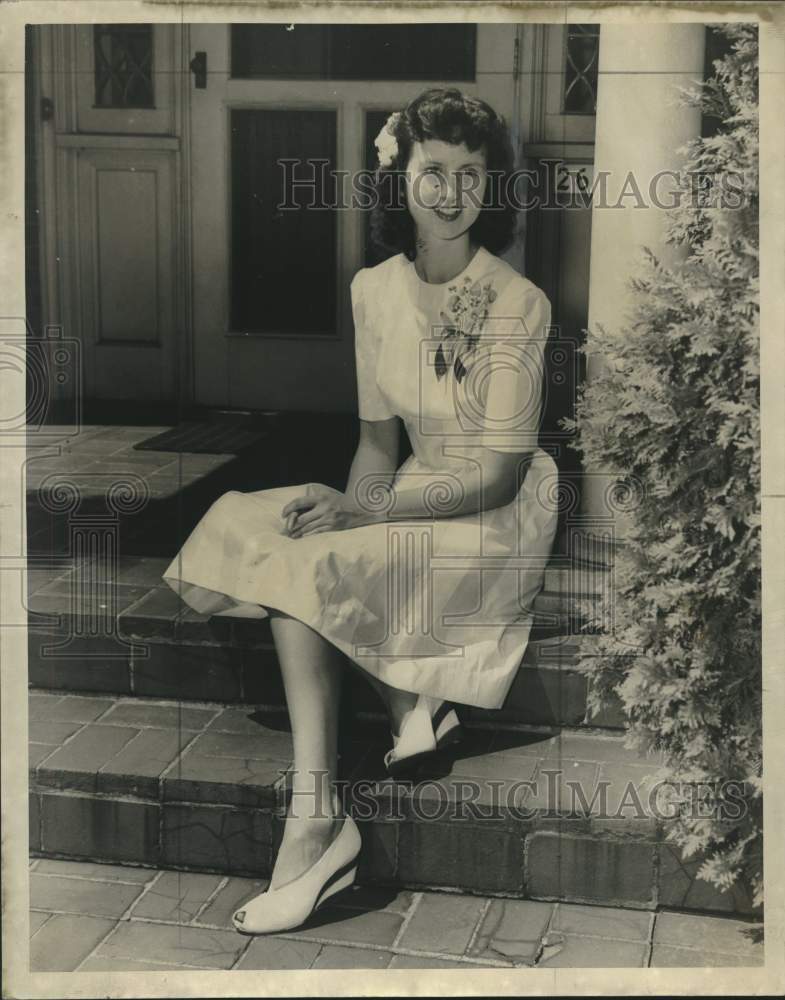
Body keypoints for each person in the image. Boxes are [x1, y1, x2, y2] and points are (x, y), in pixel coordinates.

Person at [162, 87, 560, 936]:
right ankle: (407, 704)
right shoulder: (373, 289)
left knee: (312, 564)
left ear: (492, 190)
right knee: (252, 518)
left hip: (492, 513)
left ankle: (316, 819)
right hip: (408, 485)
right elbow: (377, 444)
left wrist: (364, 513)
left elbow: (494, 476)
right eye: (431, 171)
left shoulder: (519, 303)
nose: (448, 192)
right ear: (401, 178)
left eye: (468, 175)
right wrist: (349, 502)